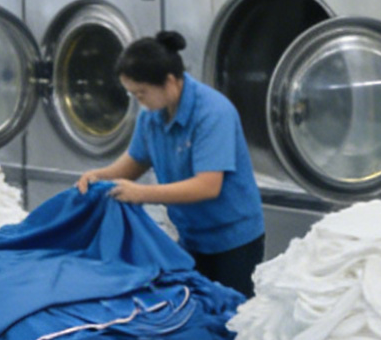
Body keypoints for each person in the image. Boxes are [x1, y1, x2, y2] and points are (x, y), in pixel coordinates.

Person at [75, 31, 268, 294]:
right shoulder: (152, 115)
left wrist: (142, 194)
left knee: (230, 310)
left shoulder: (213, 112)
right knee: (196, 306)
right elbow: (135, 162)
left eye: (141, 93)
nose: (139, 100)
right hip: (192, 236)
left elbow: (208, 186)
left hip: (233, 240)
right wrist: (100, 176)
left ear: (169, 82)